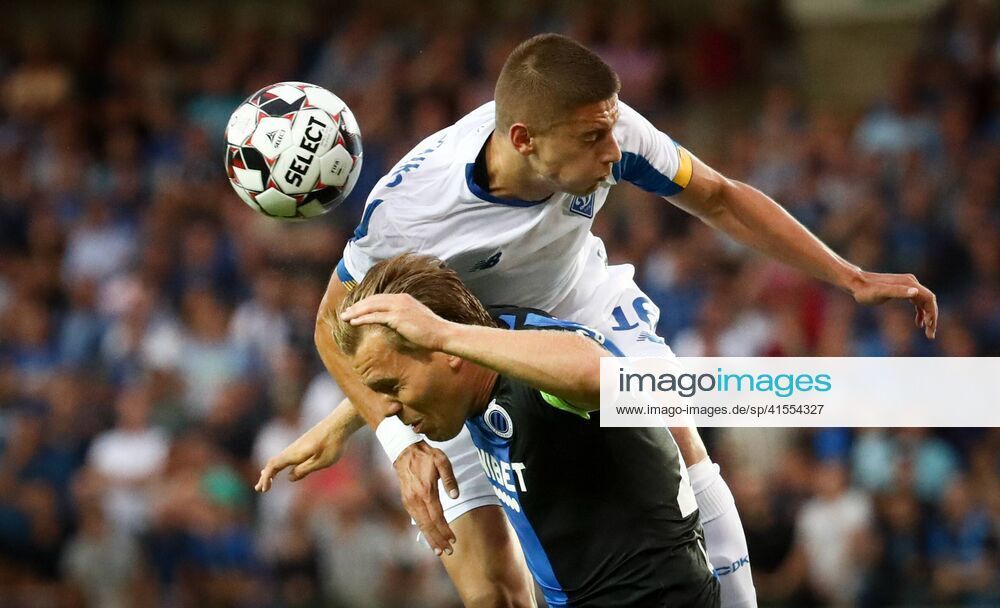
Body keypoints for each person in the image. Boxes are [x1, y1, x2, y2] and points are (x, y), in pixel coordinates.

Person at [257, 33, 937, 608]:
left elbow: (720, 198)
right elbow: (333, 324)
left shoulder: (609, 128)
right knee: (489, 588)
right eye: (592, 138)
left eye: (610, 129)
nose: (613, 151)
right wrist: (394, 439)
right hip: (466, 348)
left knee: (681, 442)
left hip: (581, 307)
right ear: (523, 140)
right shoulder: (411, 210)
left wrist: (850, 276)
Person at [335, 253, 722, 607]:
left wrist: (444, 334)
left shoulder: (536, 373)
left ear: (445, 351)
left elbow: (601, 377)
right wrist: (336, 429)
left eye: (393, 387)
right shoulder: (475, 366)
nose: (390, 410)